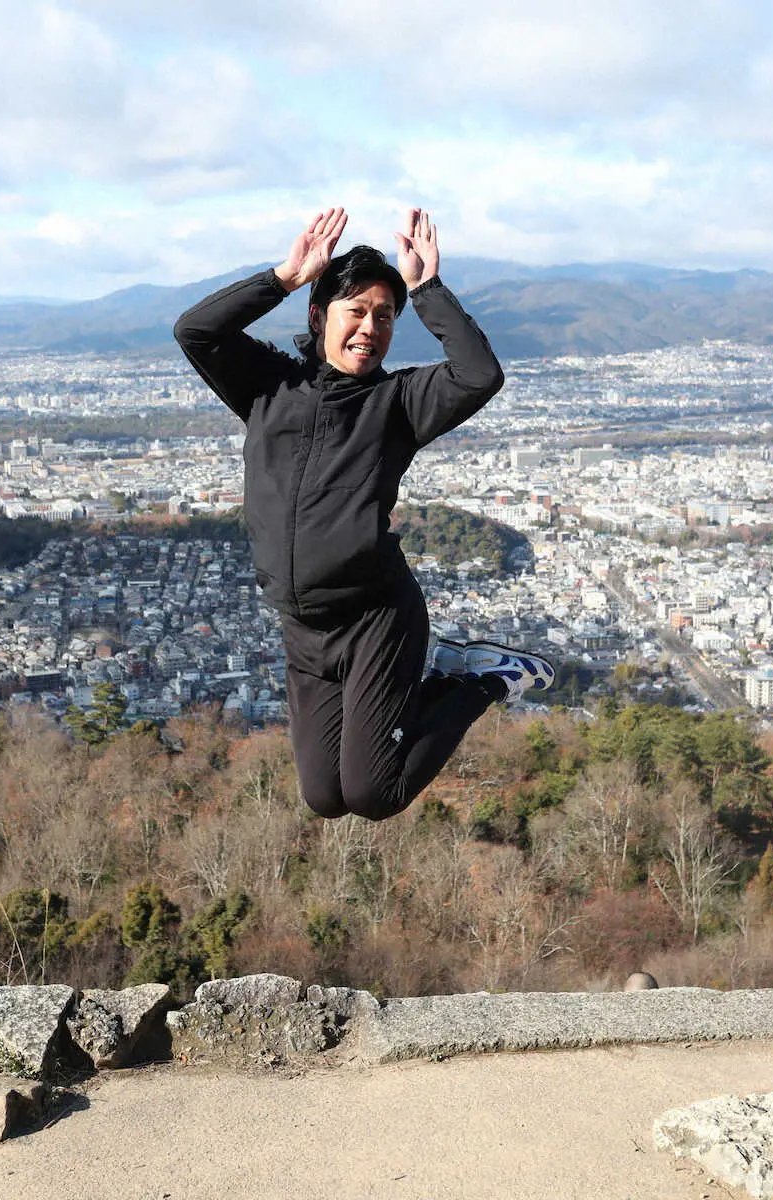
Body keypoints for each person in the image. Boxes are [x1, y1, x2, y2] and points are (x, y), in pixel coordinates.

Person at [174, 207, 553, 821]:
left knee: (376, 794)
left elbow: (480, 374)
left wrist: (426, 290)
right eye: (356, 311)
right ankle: (452, 673)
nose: (370, 329)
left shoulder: (396, 403)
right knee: (325, 798)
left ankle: (478, 680)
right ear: (318, 316)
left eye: (385, 316)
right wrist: (284, 277)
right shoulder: (267, 386)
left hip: (376, 617)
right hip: (302, 626)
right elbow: (194, 331)